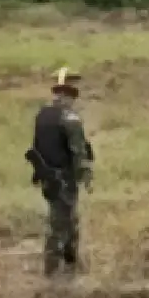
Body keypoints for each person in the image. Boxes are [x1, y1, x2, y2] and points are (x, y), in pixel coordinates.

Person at [28, 68, 95, 279]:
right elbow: (78, 152)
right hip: (64, 178)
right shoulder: (70, 118)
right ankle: (60, 270)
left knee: (59, 220)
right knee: (65, 224)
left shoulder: (42, 115)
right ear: (70, 94)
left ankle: (63, 267)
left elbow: (37, 146)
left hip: (48, 178)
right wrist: (85, 176)